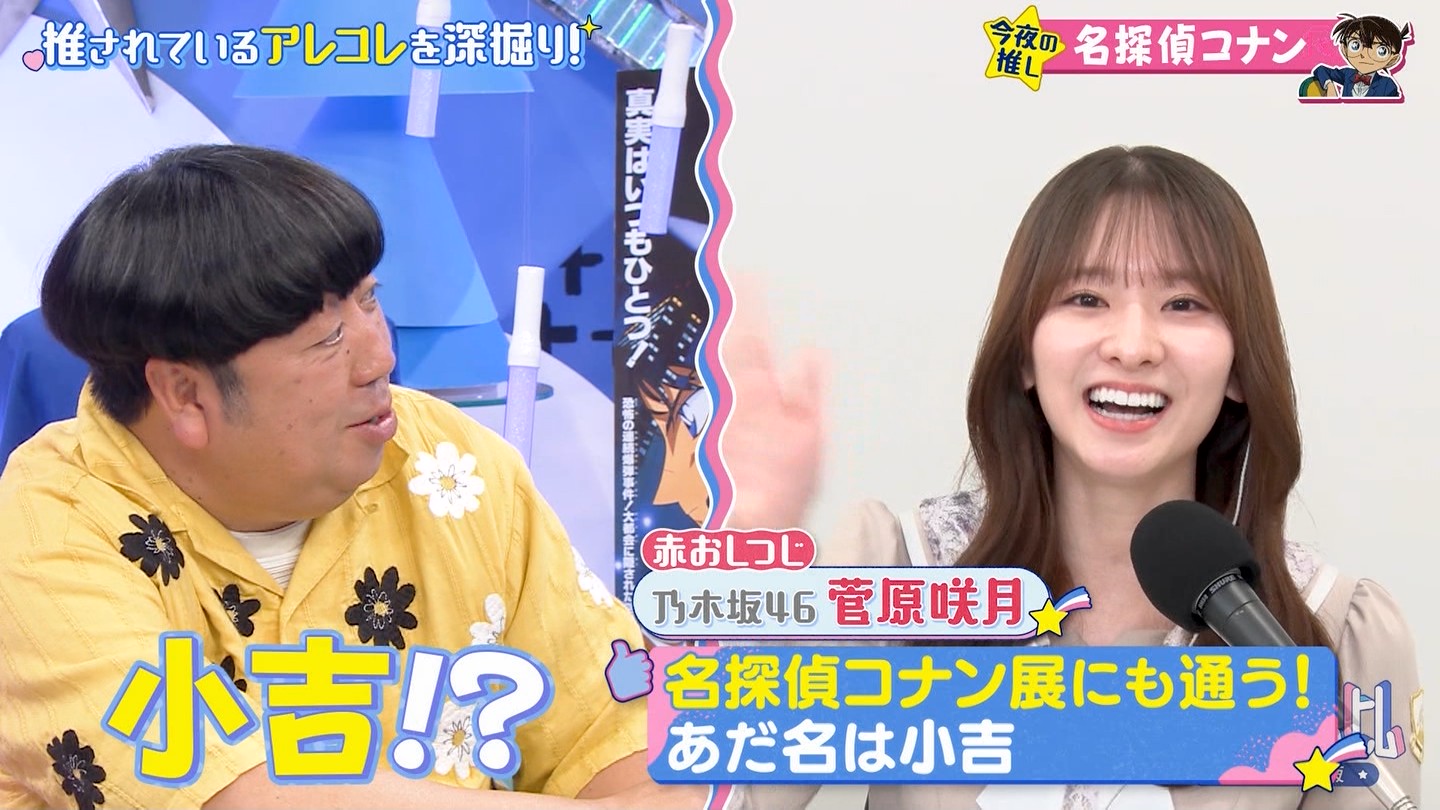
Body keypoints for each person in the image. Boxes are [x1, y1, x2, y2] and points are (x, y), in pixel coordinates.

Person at [0, 144, 705, 810]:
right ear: (185, 394)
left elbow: (616, 731)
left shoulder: (449, 462)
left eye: (369, 300)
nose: (380, 358)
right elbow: (239, 795)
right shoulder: (44, 530)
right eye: (327, 338)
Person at [718, 145, 1423, 809]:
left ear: (1239, 366)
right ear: (1024, 352)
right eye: (1086, 298)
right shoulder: (897, 572)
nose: (1133, 346)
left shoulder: (1333, 631)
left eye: (1185, 304)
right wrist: (745, 525)